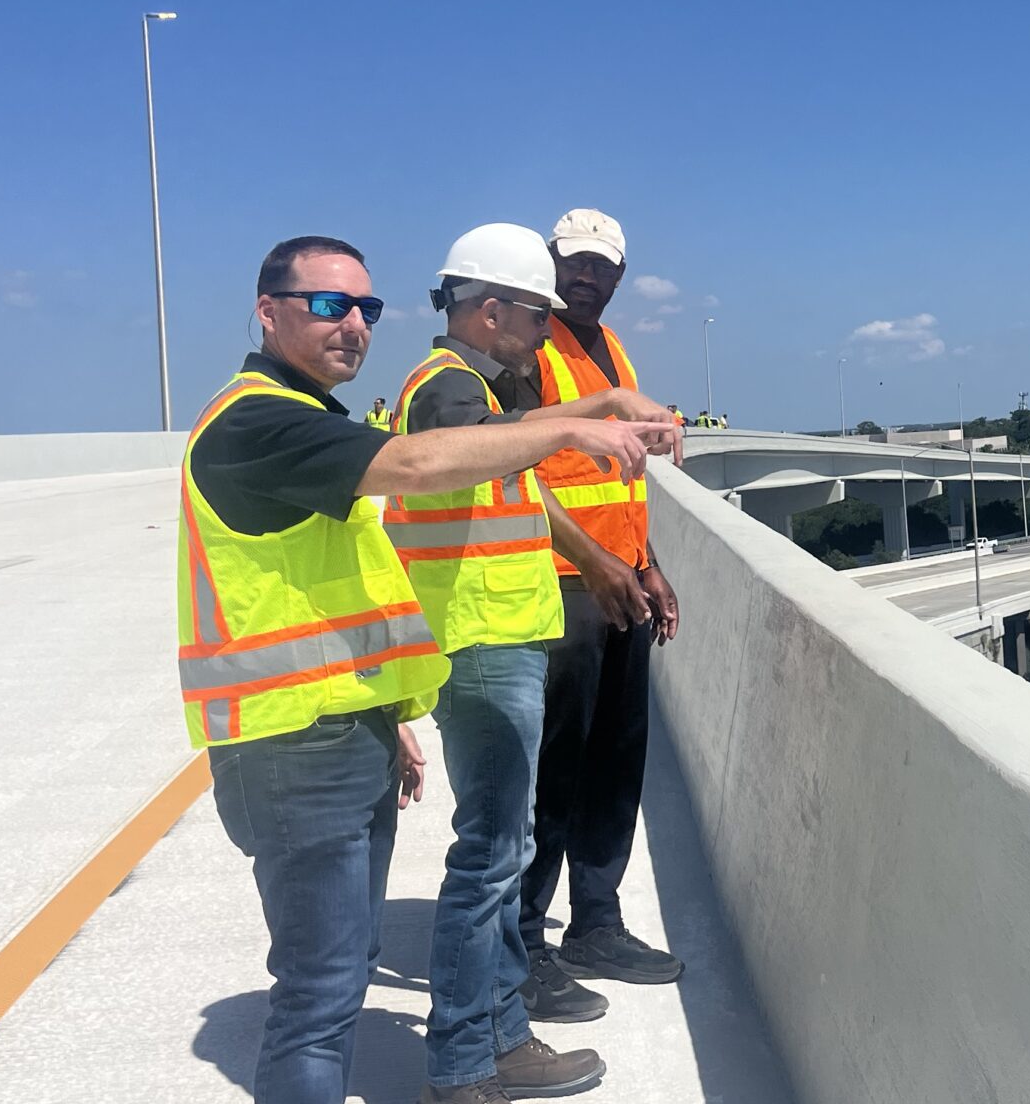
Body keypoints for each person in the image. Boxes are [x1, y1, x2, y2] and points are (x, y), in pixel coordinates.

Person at [179, 235, 671, 1104]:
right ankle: (468, 1059)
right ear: (268, 311)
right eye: (330, 305)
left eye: (365, 308)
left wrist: (392, 715)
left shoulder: (324, 417)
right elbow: (425, 459)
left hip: (350, 721)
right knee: (327, 990)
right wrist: (580, 425)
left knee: (350, 966)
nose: (355, 325)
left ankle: (487, 1044)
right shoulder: (260, 419)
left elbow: (350, 573)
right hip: (305, 737)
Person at [394, 224, 680, 1102]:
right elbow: (455, 458)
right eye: (534, 310)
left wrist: (598, 419)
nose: (544, 327)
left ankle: (504, 1033)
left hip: (505, 633)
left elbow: (508, 463)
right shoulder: (446, 390)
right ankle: (463, 1058)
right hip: (482, 646)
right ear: (491, 311)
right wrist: (587, 424)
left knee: (505, 840)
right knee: (491, 855)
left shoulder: (480, 386)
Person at [515, 209, 688, 1016]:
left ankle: (596, 919)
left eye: (601, 267)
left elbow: (620, 477)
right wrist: (596, 561)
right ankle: (523, 938)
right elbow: (517, 464)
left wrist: (647, 564)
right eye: (574, 263)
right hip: (561, 581)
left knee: (618, 758)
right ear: (550, 261)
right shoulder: (529, 347)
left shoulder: (610, 348)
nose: (587, 277)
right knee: (556, 766)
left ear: (619, 276)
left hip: (617, 582)